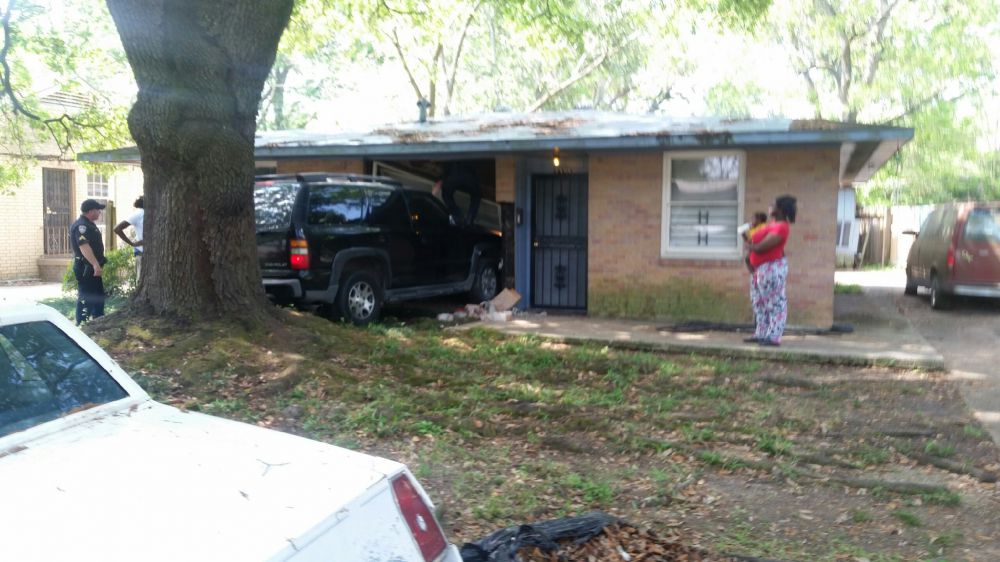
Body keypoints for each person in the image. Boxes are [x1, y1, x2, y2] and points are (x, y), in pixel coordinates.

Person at [745, 196, 796, 346]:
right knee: (759, 302)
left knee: (774, 302)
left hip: (771, 269)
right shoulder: (771, 224)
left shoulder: (781, 226)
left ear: (780, 209)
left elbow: (761, 247)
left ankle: (774, 336)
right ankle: (761, 333)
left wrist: (751, 247)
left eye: (772, 204)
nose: (769, 206)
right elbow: (750, 240)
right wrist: (749, 231)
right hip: (758, 270)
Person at [70, 199, 108, 325]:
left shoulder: (89, 224)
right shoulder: (82, 226)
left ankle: (98, 320)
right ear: (91, 211)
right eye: (98, 210)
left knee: (97, 295)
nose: (100, 213)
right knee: (86, 297)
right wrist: (95, 265)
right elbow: (84, 247)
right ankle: (82, 324)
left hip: (91, 267)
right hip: (86, 268)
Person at [114, 195, 144, 277]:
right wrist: (132, 243)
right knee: (142, 278)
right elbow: (117, 228)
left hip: (156, 253)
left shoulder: (155, 213)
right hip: (142, 252)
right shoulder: (139, 213)